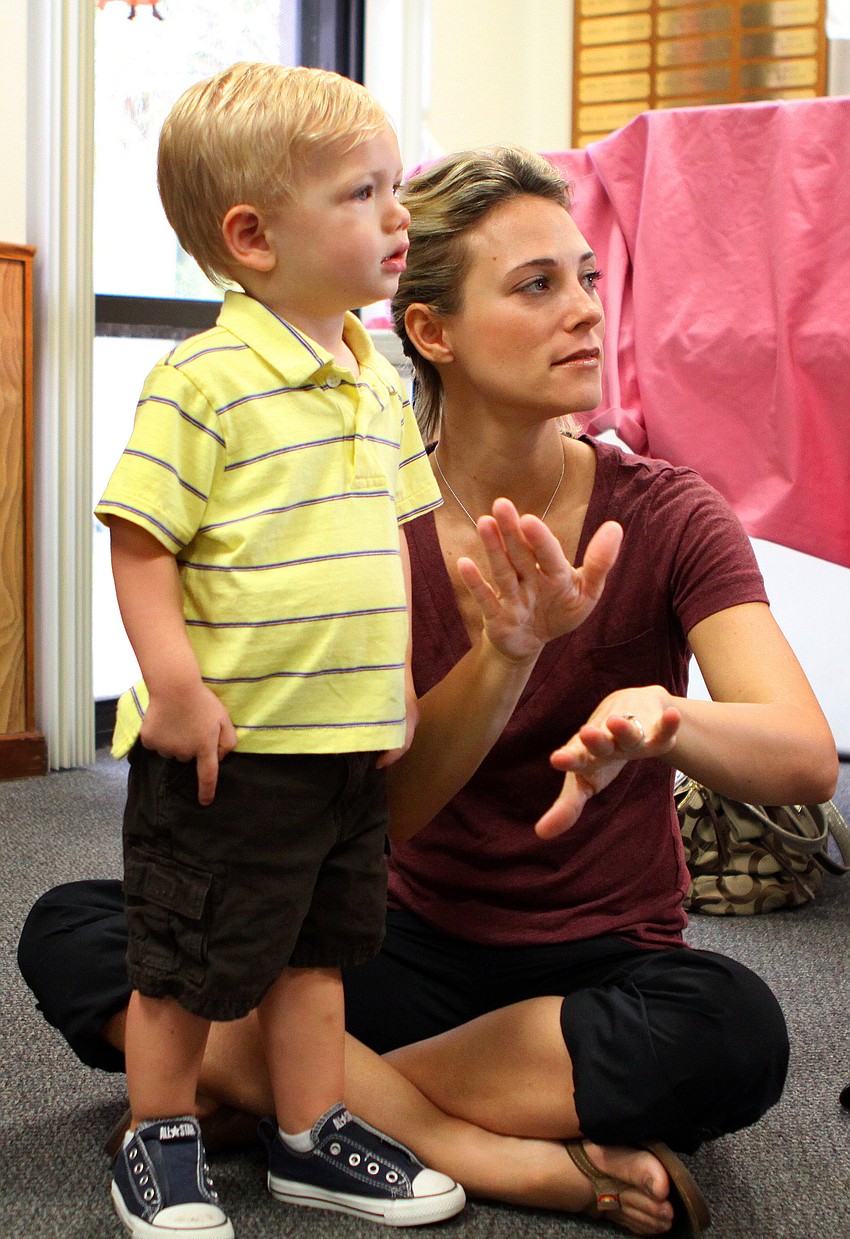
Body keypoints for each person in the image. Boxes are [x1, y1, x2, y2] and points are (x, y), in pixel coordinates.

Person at [19, 146, 838, 1237]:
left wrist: (670, 719)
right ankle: (464, 1147)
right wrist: (505, 653)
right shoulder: (360, 519)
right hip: (385, 942)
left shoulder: (670, 513)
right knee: (79, 924)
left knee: (731, 1036)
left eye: (589, 278)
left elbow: (801, 754)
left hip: (594, 970)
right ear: (431, 332)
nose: (587, 312)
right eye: (537, 285)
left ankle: (289, 1091)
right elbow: (381, 814)